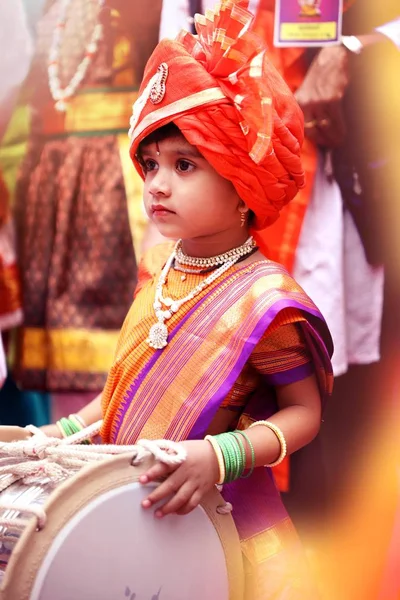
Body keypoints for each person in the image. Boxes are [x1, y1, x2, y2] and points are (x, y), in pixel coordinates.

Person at [42, 1, 334, 595]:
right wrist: (57, 436)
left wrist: (218, 457)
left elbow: (305, 414)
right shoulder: (157, 265)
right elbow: (120, 394)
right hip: (135, 513)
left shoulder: (267, 301)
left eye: (184, 164)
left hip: (230, 533)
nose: (156, 184)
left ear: (244, 187)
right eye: (150, 164)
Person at [12, 0, 163, 421]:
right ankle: (70, 459)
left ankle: (116, 454)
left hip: (112, 182)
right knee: (58, 334)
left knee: (118, 320)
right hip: (50, 182)